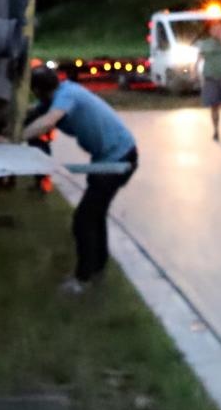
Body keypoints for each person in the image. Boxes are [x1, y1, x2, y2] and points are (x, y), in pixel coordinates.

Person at [24, 65, 140, 287]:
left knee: (83, 220)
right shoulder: (59, 92)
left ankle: (82, 279)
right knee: (95, 215)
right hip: (108, 158)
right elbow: (36, 113)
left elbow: (48, 121)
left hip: (118, 159)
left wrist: (16, 139)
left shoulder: (67, 96)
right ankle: (97, 268)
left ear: (39, 90)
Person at [195, 20, 221, 142]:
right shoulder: (205, 43)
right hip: (211, 78)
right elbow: (200, 57)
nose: (217, 32)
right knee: (214, 105)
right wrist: (194, 69)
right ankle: (216, 130)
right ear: (210, 31)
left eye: (220, 29)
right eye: (215, 29)